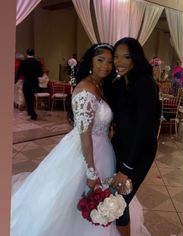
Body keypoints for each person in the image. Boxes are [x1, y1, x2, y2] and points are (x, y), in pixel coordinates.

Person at [11, 43, 149, 236]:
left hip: (103, 150)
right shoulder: (86, 90)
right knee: (72, 201)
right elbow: (85, 135)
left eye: (110, 61)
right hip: (86, 153)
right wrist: (91, 173)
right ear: (91, 62)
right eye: (100, 60)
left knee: (104, 203)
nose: (106, 65)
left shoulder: (101, 86)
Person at [105, 37, 161, 236]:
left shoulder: (146, 85)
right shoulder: (120, 84)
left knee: (119, 202)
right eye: (116, 57)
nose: (119, 62)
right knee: (117, 200)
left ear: (136, 58)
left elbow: (144, 130)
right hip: (120, 145)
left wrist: (126, 168)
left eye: (126, 57)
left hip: (140, 151)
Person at [17, 48, 44, 120]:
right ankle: (31, 112)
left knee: (28, 97)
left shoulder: (23, 62)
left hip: (27, 82)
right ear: (33, 53)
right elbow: (41, 74)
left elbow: (19, 73)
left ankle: (32, 112)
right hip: (34, 83)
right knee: (31, 98)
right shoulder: (38, 63)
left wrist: (15, 80)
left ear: (27, 53)